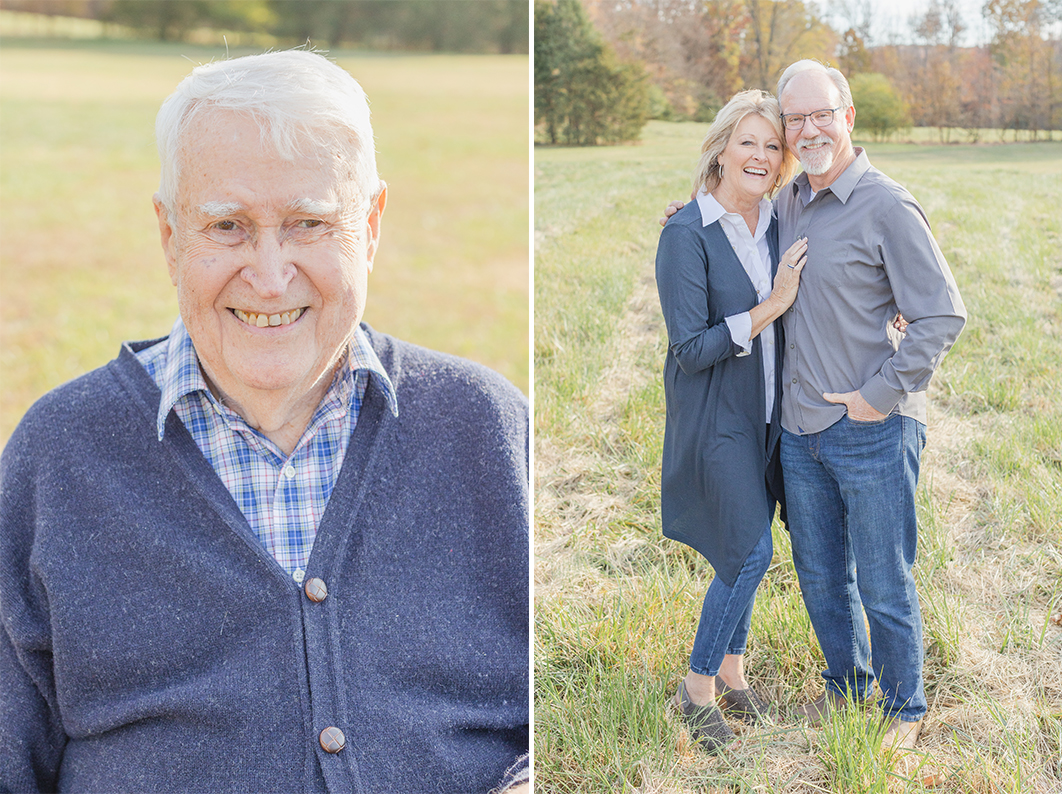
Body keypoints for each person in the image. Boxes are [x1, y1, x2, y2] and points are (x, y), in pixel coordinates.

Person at [0, 50, 529, 793]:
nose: (271, 275)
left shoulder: (487, 430)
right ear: (169, 234)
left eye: (309, 223)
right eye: (227, 227)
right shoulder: (58, 457)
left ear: (370, 224)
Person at [662, 60, 966, 752]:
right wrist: (688, 212)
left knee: (884, 580)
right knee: (823, 579)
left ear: (848, 115)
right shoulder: (790, 201)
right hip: (797, 433)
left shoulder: (887, 204)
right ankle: (847, 689)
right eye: (794, 119)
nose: (806, 129)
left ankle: (905, 708)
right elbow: (725, 222)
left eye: (819, 113)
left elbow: (943, 315)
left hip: (872, 427)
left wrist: (878, 395)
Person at [655, 89, 808, 752]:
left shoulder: (778, 220)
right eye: (748, 141)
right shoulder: (686, 233)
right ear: (721, 147)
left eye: (772, 146)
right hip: (715, 414)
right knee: (749, 551)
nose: (760, 155)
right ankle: (695, 690)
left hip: (770, 414)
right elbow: (690, 350)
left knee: (749, 545)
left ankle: (733, 669)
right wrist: (770, 305)